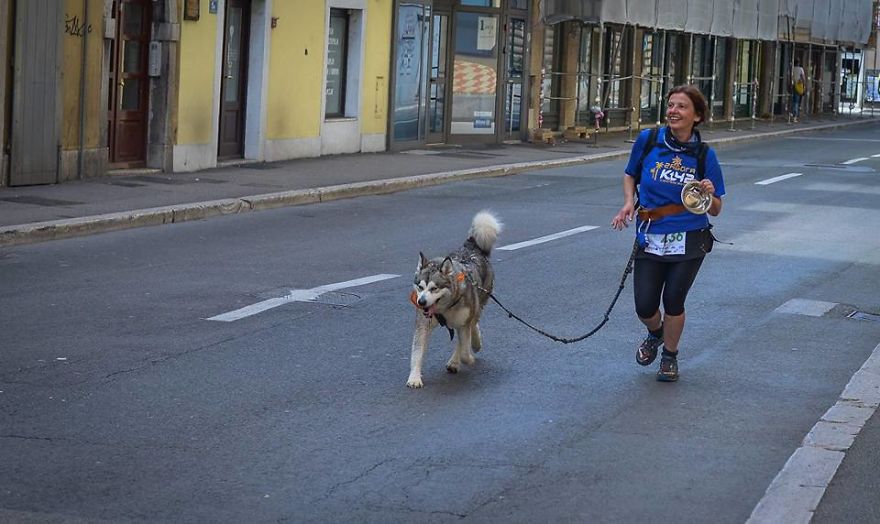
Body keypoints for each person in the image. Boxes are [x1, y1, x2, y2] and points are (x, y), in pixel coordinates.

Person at [611, 85, 725, 382]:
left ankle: (670, 357)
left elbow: (715, 209)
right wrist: (627, 203)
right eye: (671, 105)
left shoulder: (704, 155)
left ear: (697, 116)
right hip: (650, 234)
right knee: (645, 305)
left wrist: (709, 194)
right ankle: (655, 333)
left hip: (689, 237)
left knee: (674, 300)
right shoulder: (649, 140)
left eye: (682, 106)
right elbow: (630, 173)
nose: (673, 111)